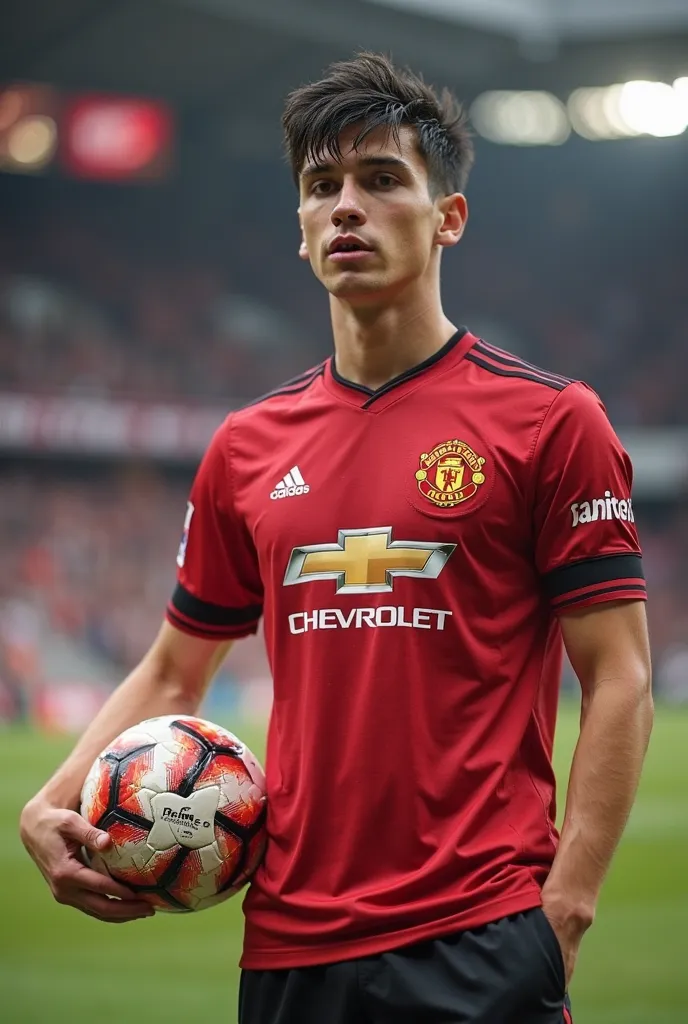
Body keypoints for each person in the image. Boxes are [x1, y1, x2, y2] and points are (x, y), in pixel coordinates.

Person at [21, 53, 653, 1024]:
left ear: (448, 218)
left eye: (381, 179)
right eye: (322, 187)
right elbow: (174, 670)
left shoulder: (551, 422)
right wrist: (50, 802)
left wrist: (563, 909)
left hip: (481, 932)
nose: (346, 205)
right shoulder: (245, 447)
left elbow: (618, 675)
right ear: (302, 230)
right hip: (287, 947)